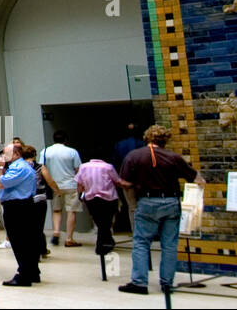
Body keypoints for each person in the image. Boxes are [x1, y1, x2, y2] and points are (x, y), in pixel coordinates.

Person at [118, 124, 205, 295]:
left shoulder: (134, 156)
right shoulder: (174, 157)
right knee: (170, 244)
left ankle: (139, 283)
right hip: (171, 202)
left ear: (146, 138)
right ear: (166, 140)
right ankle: (167, 283)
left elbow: (125, 183)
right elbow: (197, 179)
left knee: (142, 242)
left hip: (147, 202)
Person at [0, 143, 40, 286]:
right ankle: (32, 271)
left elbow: (2, 182)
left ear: (16, 154)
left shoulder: (18, 167)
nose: (3, 156)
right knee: (26, 241)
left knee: (19, 242)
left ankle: (24, 274)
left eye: (6, 153)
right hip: (22, 206)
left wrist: (0, 167)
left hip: (17, 207)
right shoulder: (22, 166)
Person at [75, 156, 128, 256]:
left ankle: (107, 243)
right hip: (108, 198)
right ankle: (102, 246)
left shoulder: (83, 167)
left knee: (99, 222)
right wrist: (129, 185)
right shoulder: (108, 167)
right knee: (106, 222)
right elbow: (117, 181)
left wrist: (80, 195)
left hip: (91, 198)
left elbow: (79, 184)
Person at [41, 132, 83, 247]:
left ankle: (56, 233)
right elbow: (78, 169)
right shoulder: (72, 151)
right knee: (71, 211)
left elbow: (42, 168)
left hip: (54, 186)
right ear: (65, 140)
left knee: (56, 210)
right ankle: (69, 238)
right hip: (71, 185)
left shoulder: (45, 151)